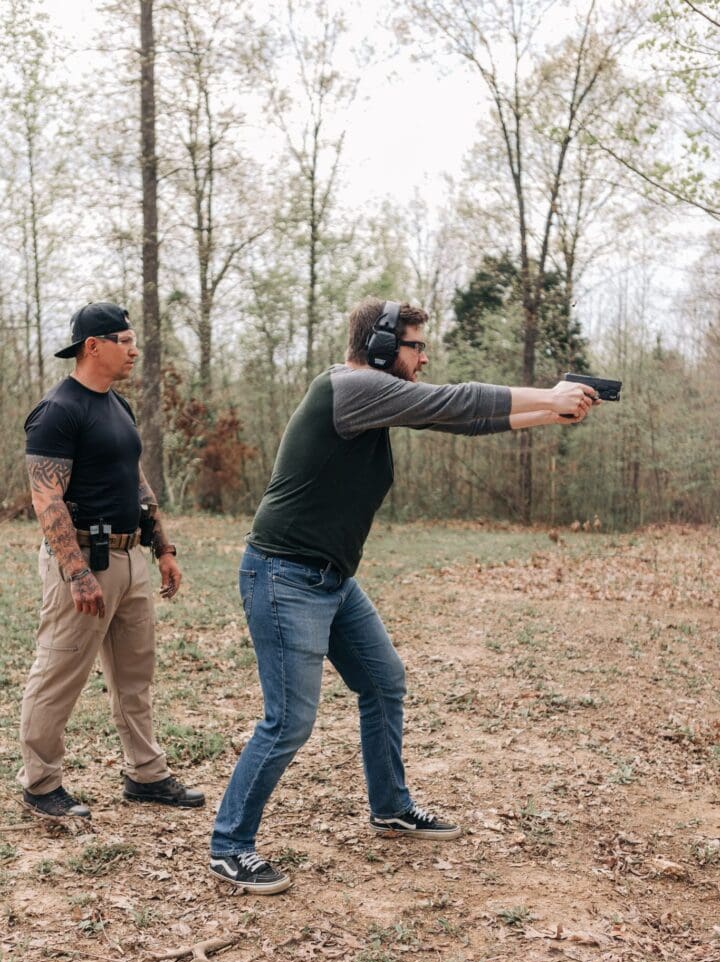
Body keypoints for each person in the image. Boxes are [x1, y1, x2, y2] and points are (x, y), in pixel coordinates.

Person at [209, 297, 597, 894]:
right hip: (284, 577)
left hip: (329, 580)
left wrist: (553, 412)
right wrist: (548, 397)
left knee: (383, 681)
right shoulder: (350, 387)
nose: (424, 358)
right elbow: (454, 400)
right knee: (288, 720)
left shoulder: (373, 396)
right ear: (384, 347)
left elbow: (456, 417)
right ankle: (230, 845)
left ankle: (390, 805)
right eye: (416, 346)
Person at [19, 302, 204, 819]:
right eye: (124, 340)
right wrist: (76, 571)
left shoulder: (117, 406)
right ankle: (39, 784)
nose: (134, 349)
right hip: (82, 558)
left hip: (129, 557)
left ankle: (146, 774)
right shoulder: (58, 410)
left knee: (134, 676)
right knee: (59, 670)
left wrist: (162, 547)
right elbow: (46, 498)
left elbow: (135, 478)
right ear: (92, 346)